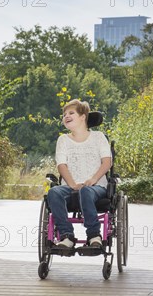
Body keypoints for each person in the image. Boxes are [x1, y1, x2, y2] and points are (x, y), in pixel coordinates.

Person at [47, 99, 112, 249]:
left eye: (71, 113)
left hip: (96, 187)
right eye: (64, 115)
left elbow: (107, 162)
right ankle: (66, 235)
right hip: (71, 187)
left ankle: (94, 235)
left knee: (86, 190)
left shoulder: (98, 137)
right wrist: (73, 185)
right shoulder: (63, 140)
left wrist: (93, 179)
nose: (66, 116)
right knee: (53, 192)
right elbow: (61, 165)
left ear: (83, 116)